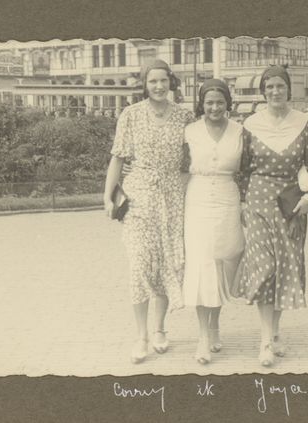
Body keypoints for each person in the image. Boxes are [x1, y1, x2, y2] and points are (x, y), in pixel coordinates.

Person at [103, 59, 194, 364]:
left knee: (166, 263)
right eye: (152, 81)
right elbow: (118, 157)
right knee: (140, 264)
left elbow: (191, 160)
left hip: (171, 199)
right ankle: (141, 335)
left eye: (163, 80)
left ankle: (159, 329)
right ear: (144, 84)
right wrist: (107, 197)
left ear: (171, 82)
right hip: (139, 197)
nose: (158, 86)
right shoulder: (130, 115)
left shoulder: (184, 116)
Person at [232, 65, 308, 367]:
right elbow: (243, 168)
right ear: (263, 91)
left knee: (286, 267)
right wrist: (244, 202)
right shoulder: (251, 124)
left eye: (280, 86)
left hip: (291, 204)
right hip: (259, 201)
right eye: (269, 87)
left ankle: (274, 331)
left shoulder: (304, 123)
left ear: (288, 89)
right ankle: (265, 341)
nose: (275, 91)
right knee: (266, 268)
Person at [182, 79, 246, 365]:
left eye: (220, 102)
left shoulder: (240, 131)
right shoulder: (190, 132)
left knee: (223, 262)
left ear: (227, 103)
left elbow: (247, 169)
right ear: (202, 104)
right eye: (209, 102)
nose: (215, 107)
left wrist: (245, 203)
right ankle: (202, 337)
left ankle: (215, 325)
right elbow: (180, 168)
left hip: (227, 199)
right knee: (202, 265)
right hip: (198, 200)